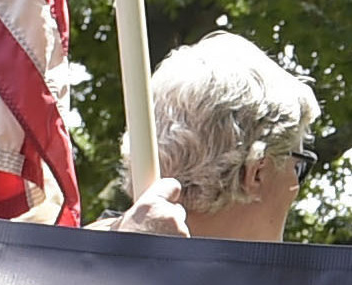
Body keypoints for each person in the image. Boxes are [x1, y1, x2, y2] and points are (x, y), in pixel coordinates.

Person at [102, 31, 321, 241]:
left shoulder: (79, 260)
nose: (296, 187)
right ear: (257, 172)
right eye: (297, 167)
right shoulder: (106, 268)